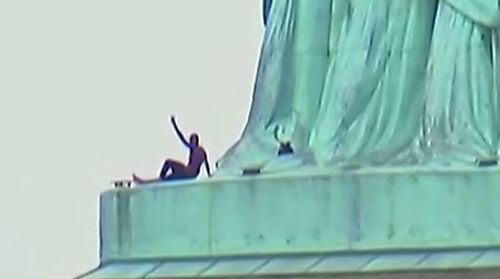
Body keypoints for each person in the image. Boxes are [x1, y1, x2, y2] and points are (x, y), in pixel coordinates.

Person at [132, 116, 211, 184]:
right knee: (171, 169)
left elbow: (181, 137)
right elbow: (207, 164)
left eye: (191, 140)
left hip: (187, 174)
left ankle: (160, 180)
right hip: (191, 174)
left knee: (168, 163)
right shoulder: (203, 151)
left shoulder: (194, 148)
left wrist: (174, 124)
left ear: (195, 141)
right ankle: (160, 180)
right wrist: (209, 175)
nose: (190, 142)